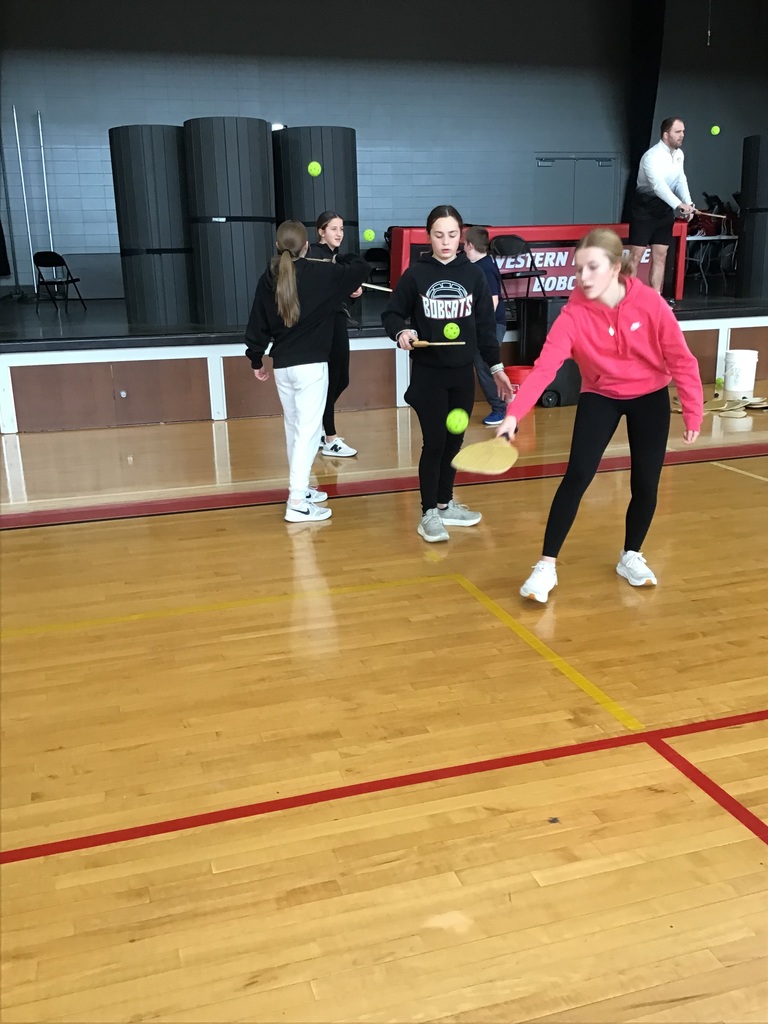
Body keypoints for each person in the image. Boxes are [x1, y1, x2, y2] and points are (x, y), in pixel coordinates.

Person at [495, 227, 703, 602]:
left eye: (592, 268)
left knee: (646, 483)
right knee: (576, 475)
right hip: (601, 395)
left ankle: (631, 555)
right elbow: (544, 370)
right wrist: (514, 415)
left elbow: (682, 361)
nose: (583, 277)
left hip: (651, 395)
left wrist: (693, 412)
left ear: (616, 267)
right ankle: (545, 566)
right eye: (578, 269)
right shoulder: (573, 315)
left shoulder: (651, 305)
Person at [382, 204, 514, 543]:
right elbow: (393, 314)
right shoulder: (416, 274)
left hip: (461, 377)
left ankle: (444, 503)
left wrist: (496, 368)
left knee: (455, 440)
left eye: (452, 235)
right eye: (439, 235)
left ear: (462, 237)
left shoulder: (473, 276)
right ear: (429, 236)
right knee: (436, 442)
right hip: (428, 377)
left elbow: (485, 327)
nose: (446, 241)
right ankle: (428, 513)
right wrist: (402, 332)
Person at [245, 221, 369, 523]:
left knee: (295, 431)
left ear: (279, 247)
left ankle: (301, 491)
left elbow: (257, 324)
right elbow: (360, 268)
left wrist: (256, 360)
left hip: (283, 368)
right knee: (307, 435)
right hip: (311, 368)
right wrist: (341, 259)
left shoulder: (268, 277)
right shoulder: (322, 273)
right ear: (307, 247)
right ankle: (298, 502)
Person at [307, 211, 362, 458]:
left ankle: (320, 426)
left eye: (341, 229)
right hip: (325, 325)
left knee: (343, 380)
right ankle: (329, 438)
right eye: (333, 229)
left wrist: (351, 293)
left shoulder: (336, 258)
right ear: (321, 231)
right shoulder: (315, 258)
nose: (339, 234)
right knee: (330, 380)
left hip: (338, 320)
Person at [627, 117, 696, 297]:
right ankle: (626, 299)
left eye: (683, 132)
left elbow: (681, 179)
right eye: (677, 132)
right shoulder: (651, 156)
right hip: (644, 209)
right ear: (666, 135)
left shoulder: (679, 155)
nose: (682, 135)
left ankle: (655, 298)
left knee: (660, 255)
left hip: (664, 211)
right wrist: (678, 205)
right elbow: (658, 186)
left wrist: (688, 203)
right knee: (635, 256)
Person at [463, 225, 508, 426]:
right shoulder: (479, 265)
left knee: (485, 367)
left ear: (470, 245)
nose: (462, 248)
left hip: (491, 327)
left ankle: (501, 409)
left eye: (464, 244)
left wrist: (479, 326)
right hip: (483, 327)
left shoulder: (485, 268)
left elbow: (493, 301)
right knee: (479, 365)